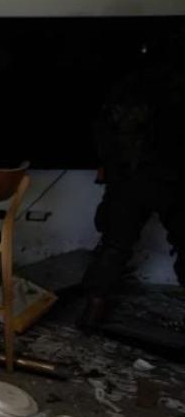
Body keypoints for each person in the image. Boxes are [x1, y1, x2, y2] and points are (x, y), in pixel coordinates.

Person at [79, 28, 185, 328]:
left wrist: (111, 167)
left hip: (131, 179)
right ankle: (94, 307)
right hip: (171, 179)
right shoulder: (175, 86)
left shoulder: (128, 84)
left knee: (115, 245)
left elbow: (104, 131)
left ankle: (93, 310)